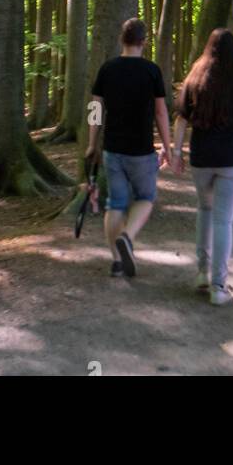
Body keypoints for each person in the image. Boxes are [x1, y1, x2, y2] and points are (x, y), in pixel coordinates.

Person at [171, 28, 233, 306]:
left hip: (202, 157)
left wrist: (177, 152)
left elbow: (181, 119)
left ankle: (202, 271)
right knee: (223, 220)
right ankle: (218, 285)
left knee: (204, 210)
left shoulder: (196, 78)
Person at [85, 17, 171, 278]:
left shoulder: (107, 69)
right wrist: (168, 146)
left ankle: (117, 261)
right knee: (145, 198)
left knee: (115, 204)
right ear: (144, 42)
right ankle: (128, 236)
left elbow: (96, 110)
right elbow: (160, 112)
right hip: (142, 150)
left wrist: (91, 143)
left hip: (113, 148)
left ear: (121, 40)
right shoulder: (152, 71)